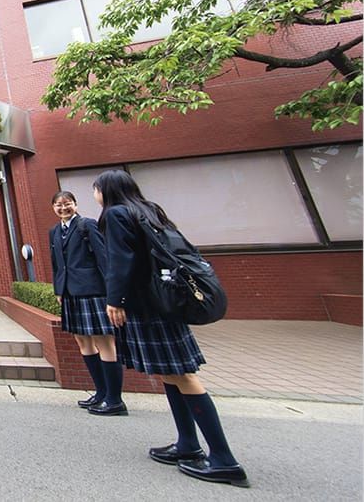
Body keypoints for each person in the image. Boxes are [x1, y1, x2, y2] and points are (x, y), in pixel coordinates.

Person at [93, 170, 249, 487]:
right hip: (166, 300)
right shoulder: (149, 209)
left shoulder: (115, 214)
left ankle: (223, 459)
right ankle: (187, 443)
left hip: (149, 305)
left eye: (95, 189)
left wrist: (115, 300)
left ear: (106, 190)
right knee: (171, 374)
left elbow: (121, 260)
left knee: (182, 375)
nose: (95, 194)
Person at [48, 191, 125, 415]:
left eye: (67, 204)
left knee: (104, 342)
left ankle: (114, 399)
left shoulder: (87, 225)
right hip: (69, 291)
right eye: (58, 205)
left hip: (93, 290)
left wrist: (113, 293)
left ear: (75, 204)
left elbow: (103, 258)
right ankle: (100, 392)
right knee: (83, 341)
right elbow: (56, 263)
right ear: (53, 208)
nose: (63, 208)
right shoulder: (54, 231)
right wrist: (58, 289)